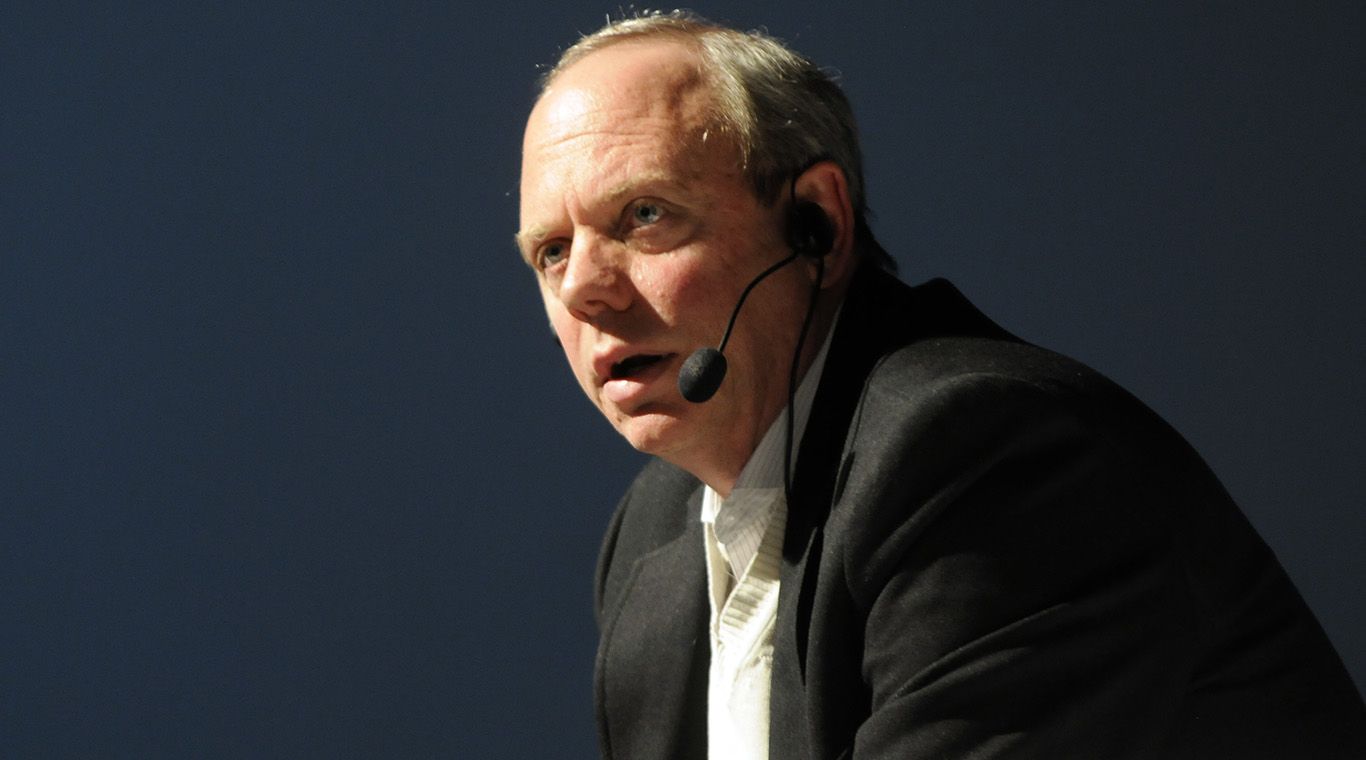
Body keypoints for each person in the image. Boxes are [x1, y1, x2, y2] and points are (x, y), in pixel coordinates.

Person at [515, 11, 1366, 759]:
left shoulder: (982, 459)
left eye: (645, 215)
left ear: (819, 225)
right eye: (551, 252)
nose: (584, 288)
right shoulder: (653, 532)